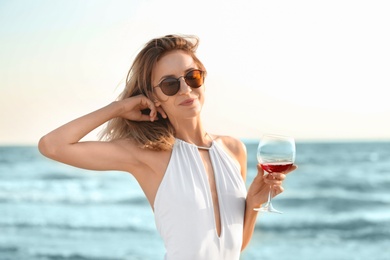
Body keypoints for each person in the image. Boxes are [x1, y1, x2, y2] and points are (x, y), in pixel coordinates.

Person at [38, 34, 297, 260]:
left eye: (192, 77)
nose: (186, 89)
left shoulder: (234, 149)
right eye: (170, 84)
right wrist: (118, 108)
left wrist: (253, 202)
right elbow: (52, 146)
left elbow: (233, 248)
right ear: (154, 97)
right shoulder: (147, 153)